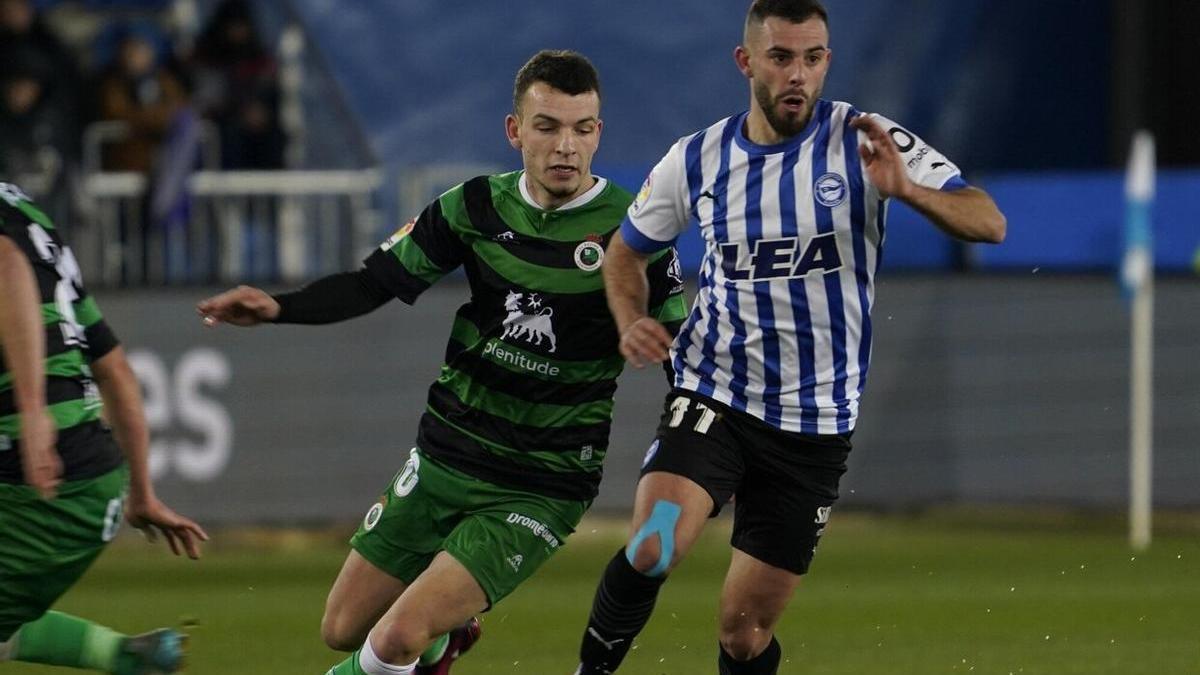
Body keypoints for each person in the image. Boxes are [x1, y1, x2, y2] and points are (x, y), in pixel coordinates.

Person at [196, 49, 688, 675]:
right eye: (547, 127)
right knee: (343, 627)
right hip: (446, 453)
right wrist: (278, 308)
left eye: (582, 129)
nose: (566, 146)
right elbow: (372, 284)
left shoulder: (633, 229)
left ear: (598, 133)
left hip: (542, 480)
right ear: (515, 132)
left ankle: (428, 636)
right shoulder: (472, 207)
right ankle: (448, 640)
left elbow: (684, 354)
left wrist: (698, 456)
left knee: (396, 636)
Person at [573, 1, 1006, 673]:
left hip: (813, 427)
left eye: (812, 58)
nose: (797, 75)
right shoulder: (697, 159)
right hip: (713, 395)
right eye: (780, 57)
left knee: (743, 633)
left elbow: (989, 221)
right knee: (654, 544)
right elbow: (625, 252)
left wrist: (910, 191)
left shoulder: (865, 140)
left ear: (827, 60)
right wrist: (631, 319)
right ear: (747, 62)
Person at [0, 181, 209, 673]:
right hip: (91, 480)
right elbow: (114, 369)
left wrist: (33, 411)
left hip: (38, 481)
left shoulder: (14, 244)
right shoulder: (32, 219)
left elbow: (5, 265)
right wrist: (141, 492)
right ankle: (126, 657)